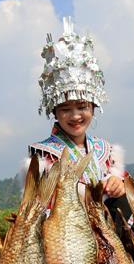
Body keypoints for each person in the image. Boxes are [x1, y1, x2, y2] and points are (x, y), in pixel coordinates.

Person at [27, 17, 127, 203]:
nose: (75, 116)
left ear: (94, 107)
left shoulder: (106, 152)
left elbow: (128, 193)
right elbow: (41, 203)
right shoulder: (42, 155)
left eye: (82, 107)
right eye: (65, 109)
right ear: (54, 111)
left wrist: (118, 183)